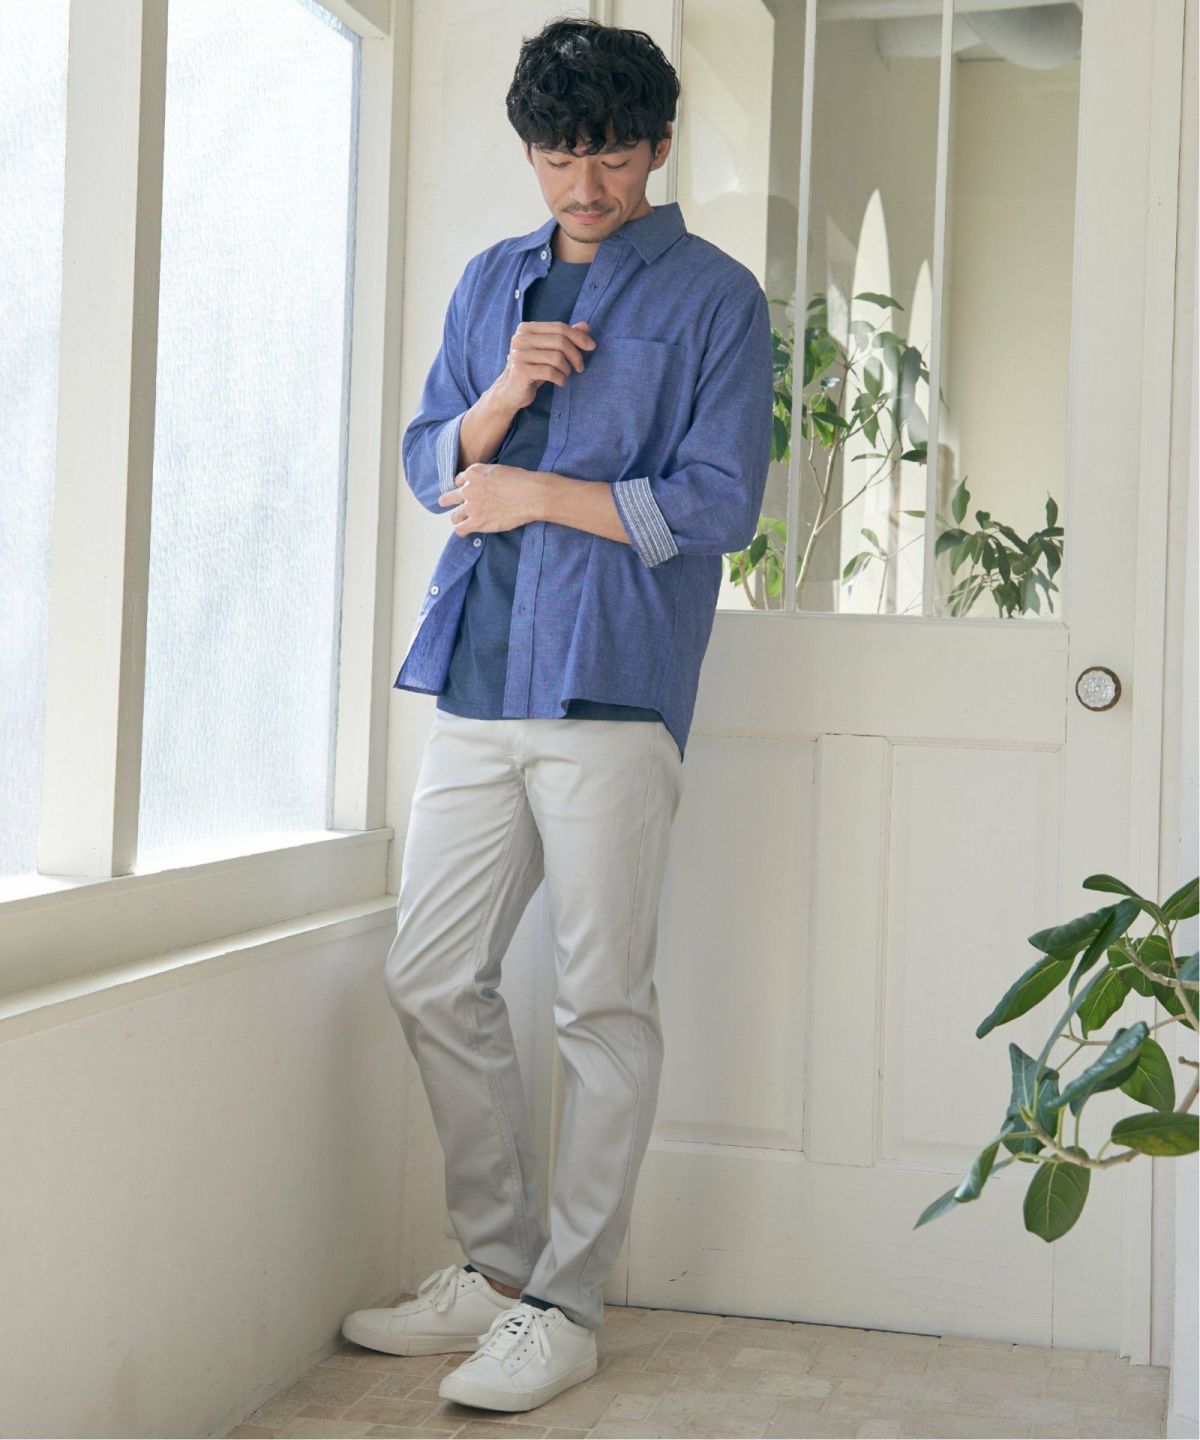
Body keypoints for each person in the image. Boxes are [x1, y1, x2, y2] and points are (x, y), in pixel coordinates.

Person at [342, 14, 774, 1415]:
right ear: (529, 150)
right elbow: (431, 461)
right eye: (557, 154)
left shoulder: (715, 298)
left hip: (613, 686)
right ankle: (498, 1266)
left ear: (658, 146)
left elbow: (722, 502)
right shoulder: (490, 280)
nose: (585, 183)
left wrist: (541, 492)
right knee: (432, 975)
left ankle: (567, 1304)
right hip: (476, 677)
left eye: (612, 154)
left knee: (599, 1002)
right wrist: (502, 396)